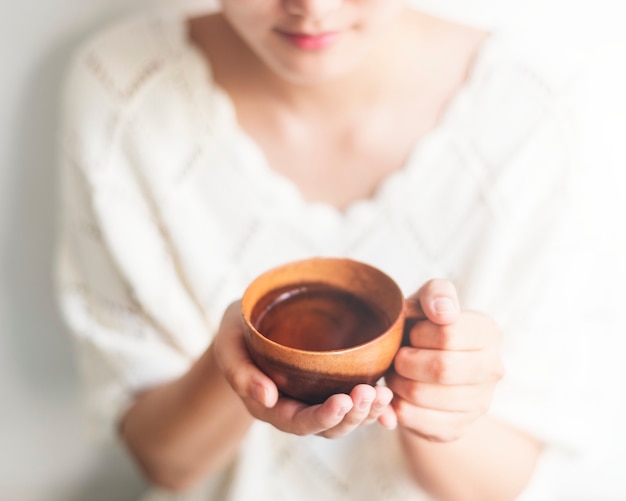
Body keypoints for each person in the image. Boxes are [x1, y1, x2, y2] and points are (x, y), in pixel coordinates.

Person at [55, 1, 622, 500]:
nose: (313, 8)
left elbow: (498, 487)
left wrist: (429, 395)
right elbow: (166, 464)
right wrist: (238, 363)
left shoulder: (540, 114)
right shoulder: (124, 89)